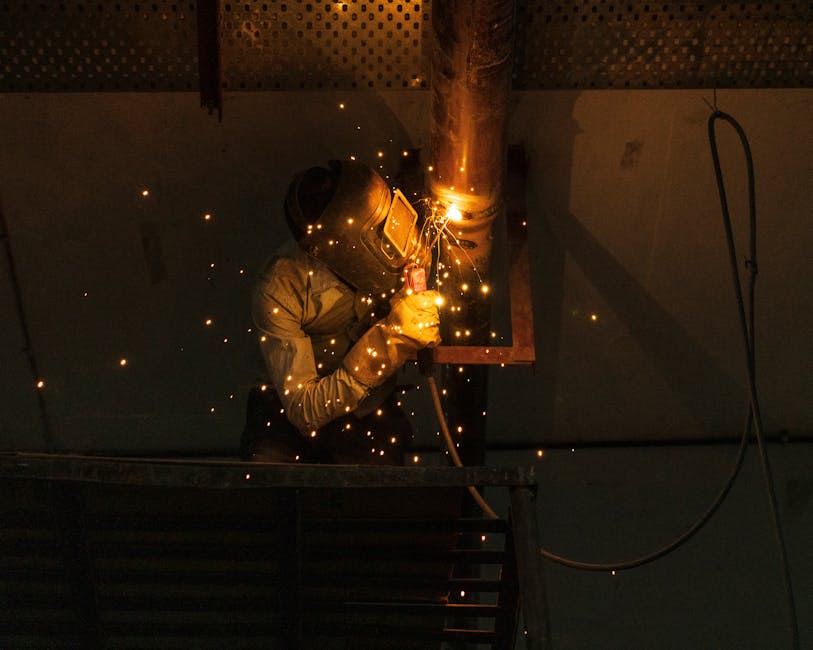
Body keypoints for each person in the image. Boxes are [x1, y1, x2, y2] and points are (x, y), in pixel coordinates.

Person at [242, 159, 442, 464]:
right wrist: (390, 342)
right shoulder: (279, 287)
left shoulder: (387, 232)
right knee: (270, 485)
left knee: (374, 498)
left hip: (367, 405)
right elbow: (303, 410)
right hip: (284, 413)